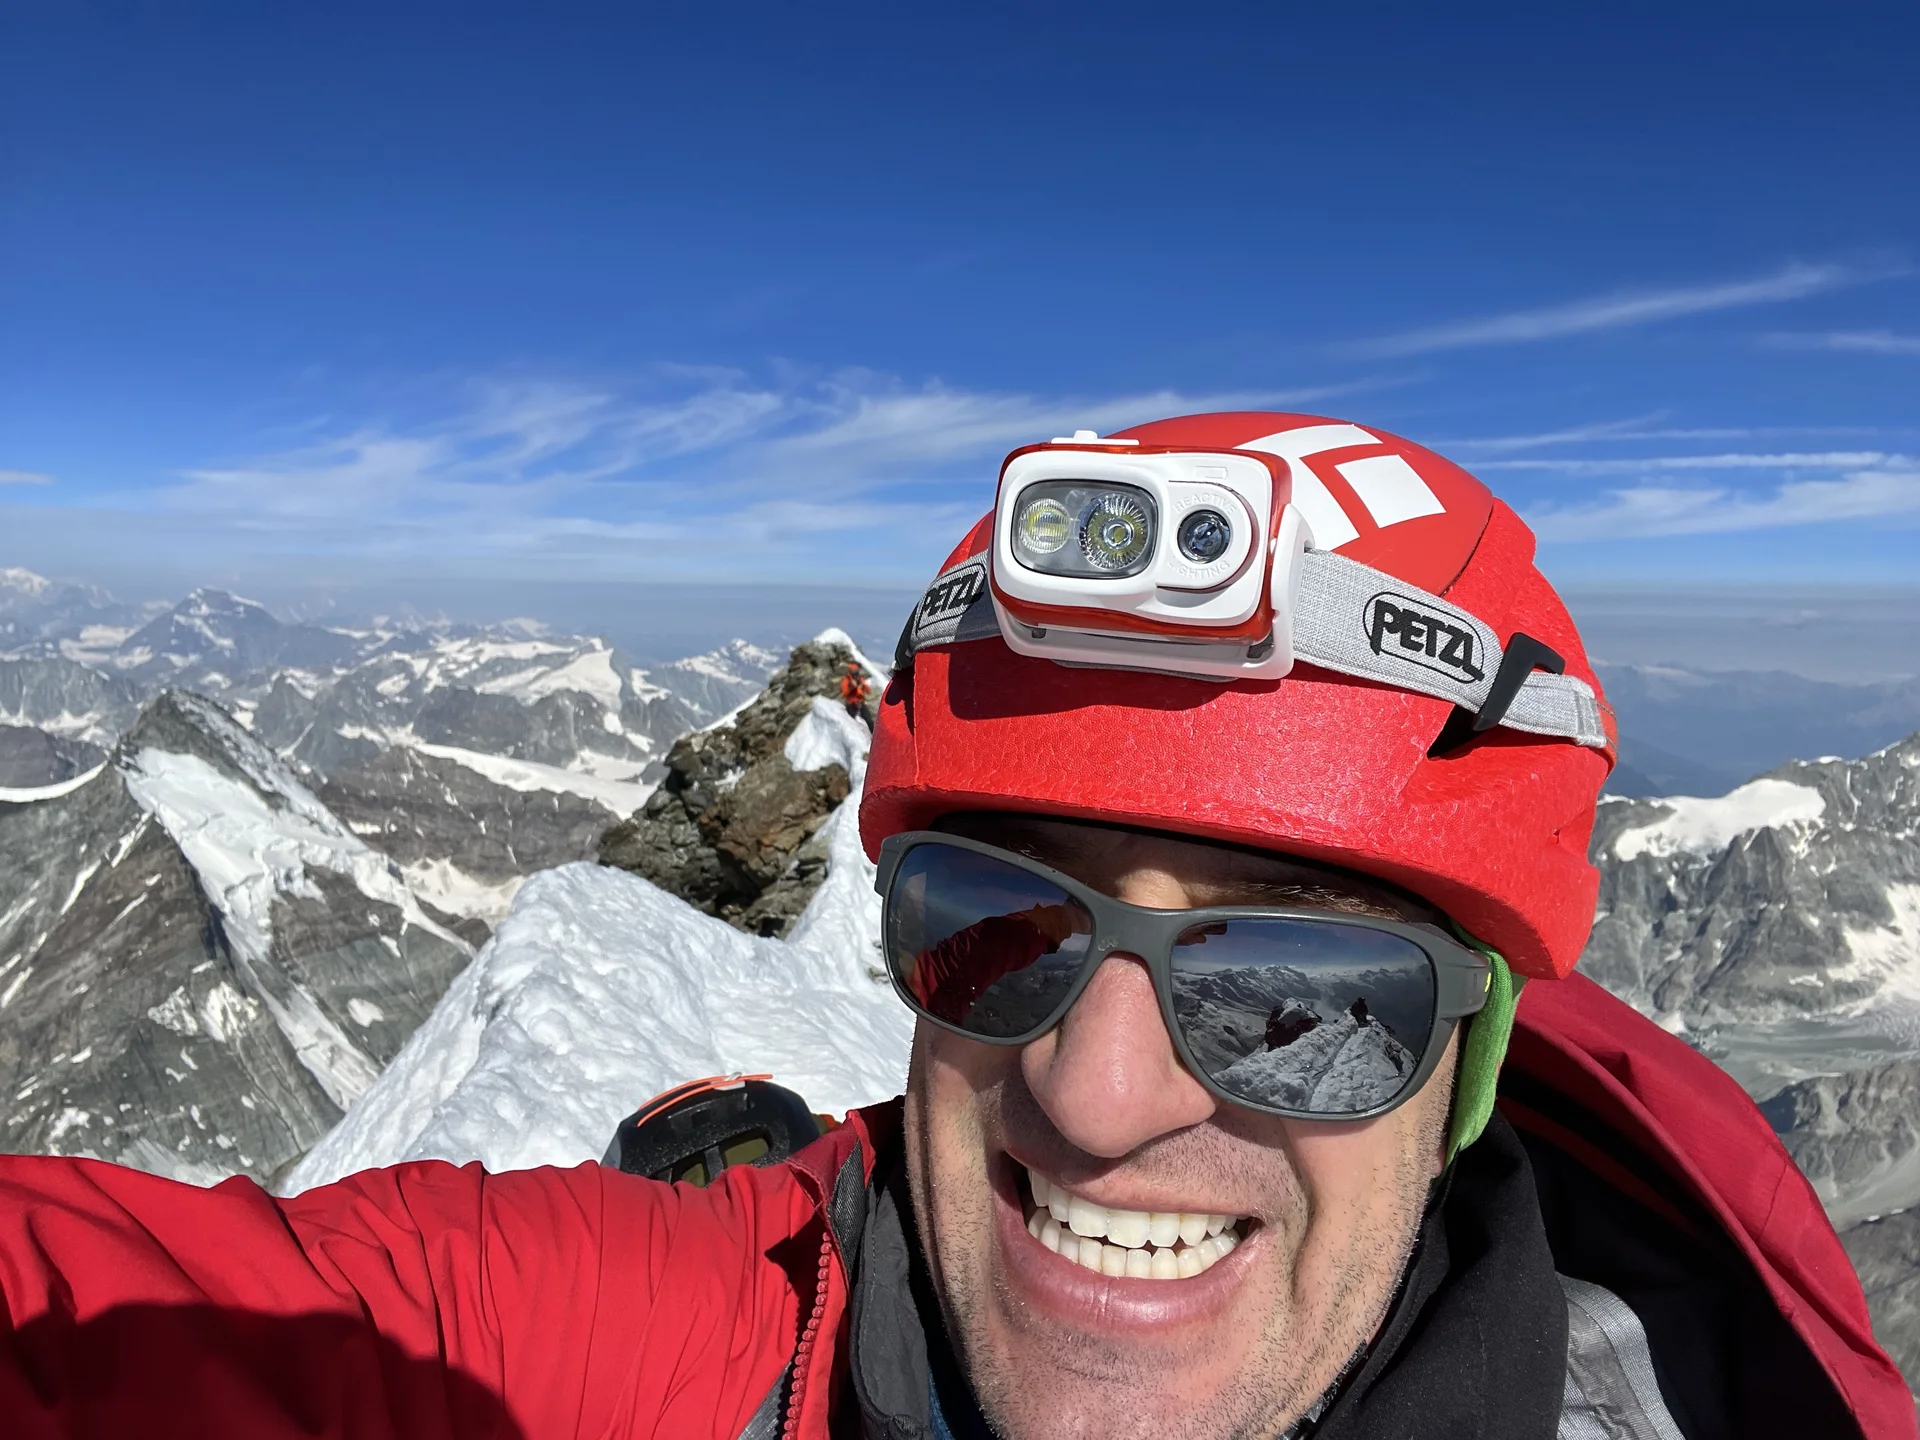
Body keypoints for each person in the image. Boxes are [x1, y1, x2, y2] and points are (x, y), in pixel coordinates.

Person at [0, 412, 1909, 1440]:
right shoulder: (701, 1328)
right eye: (996, 928)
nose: (1093, 1096)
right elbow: (156, 1326)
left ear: (1467, 1070)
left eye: (1298, 996)